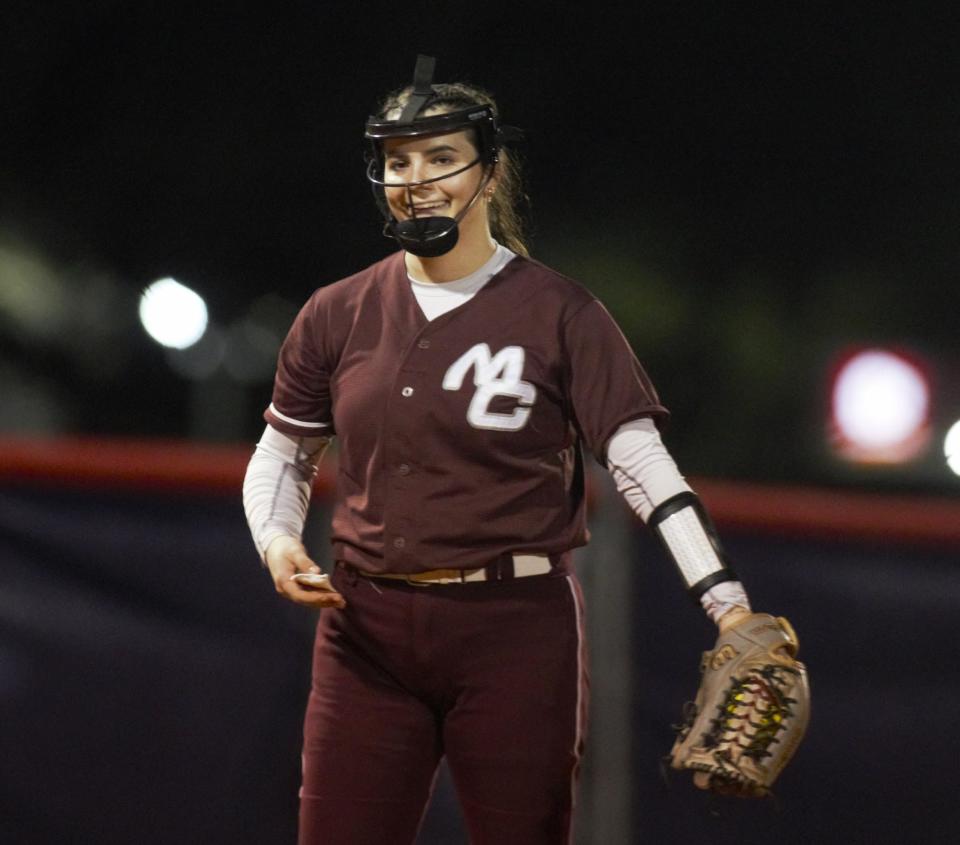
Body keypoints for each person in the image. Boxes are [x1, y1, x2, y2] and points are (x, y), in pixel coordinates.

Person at [243, 55, 754, 845]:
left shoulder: (562, 313)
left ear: (490, 170)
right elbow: (283, 453)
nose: (416, 178)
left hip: (514, 628)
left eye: (441, 157)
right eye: (398, 160)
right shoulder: (335, 311)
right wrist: (277, 539)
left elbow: (641, 461)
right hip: (365, 626)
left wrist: (727, 602)